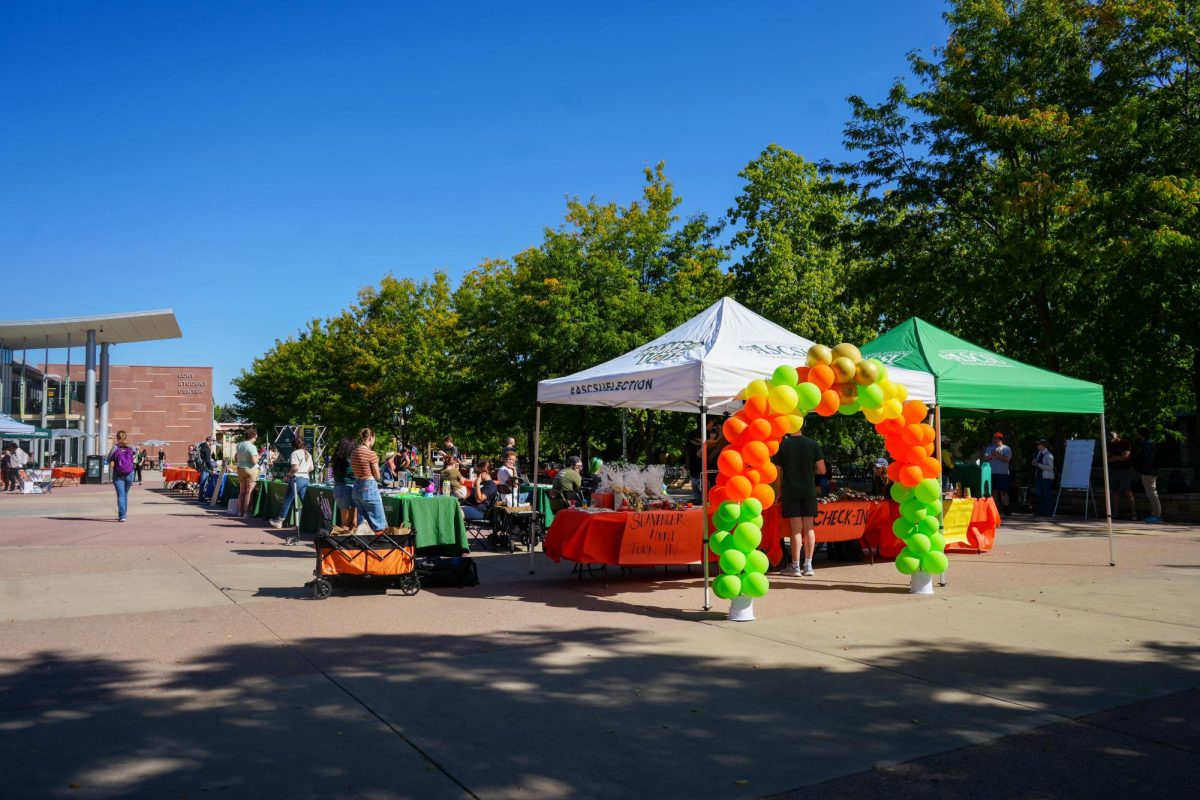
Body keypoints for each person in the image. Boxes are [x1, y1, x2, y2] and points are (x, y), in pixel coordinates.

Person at [770, 431, 826, 577]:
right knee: (809, 528)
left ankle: (795, 566)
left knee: (795, 530)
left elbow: (776, 470)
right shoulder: (813, 443)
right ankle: (808, 565)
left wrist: (778, 491)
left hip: (791, 491)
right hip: (809, 491)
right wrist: (809, 470)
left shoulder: (784, 444)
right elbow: (822, 469)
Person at [351, 428, 388, 534]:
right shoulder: (371, 454)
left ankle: (364, 547)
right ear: (371, 437)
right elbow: (377, 476)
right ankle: (379, 548)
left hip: (357, 487)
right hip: (369, 487)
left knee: (363, 524)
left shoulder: (354, 452)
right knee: (379, 523)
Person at [271, 437, 313, 529]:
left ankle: (279, 521)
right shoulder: (308, 454)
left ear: (293, 445)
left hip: (297, 478)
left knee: (288, 500)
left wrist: (287, 476)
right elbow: (311, 468)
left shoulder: (295, 453)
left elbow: (295, 468)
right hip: (306, 478)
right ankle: (311, 521)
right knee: (305, 501)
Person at [106, 430, 137, 522]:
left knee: (121, 495)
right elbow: (135, 455)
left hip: (118, 474)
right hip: (129, 473)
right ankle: (124, 513)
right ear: (125, 437)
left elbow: (109, 459)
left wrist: (113, 461)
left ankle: (122, 515)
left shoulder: (115, 447)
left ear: (117, 437)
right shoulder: (131, 447)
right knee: (125, 494)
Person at [1133, 428, 1162, 523]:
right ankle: (1154, 514)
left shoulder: (1147, 444)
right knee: (1150, 493)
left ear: (1141, 435)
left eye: (1138, 434)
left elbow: (1148, 459)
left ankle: (1157, 515)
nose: (1137, 436)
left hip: (1148, 472)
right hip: (1150, 472)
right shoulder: (1149, 443)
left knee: (1152, 493)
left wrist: (1144, 469)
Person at [330, 436, 358, 530]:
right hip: (347, 488)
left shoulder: (338, 460)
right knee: (349, 524)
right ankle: (345, 543)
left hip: (339, 488)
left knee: (348, 523)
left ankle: (347, 542)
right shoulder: (348, 461)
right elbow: (354, 473)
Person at [1106, 430, 1135, 521]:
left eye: (1113, 438)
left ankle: (1134, 513)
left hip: (1124, 470)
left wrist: (1114, 457)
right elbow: (1107, 459)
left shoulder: (1125, 443)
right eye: (1110, 438)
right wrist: (1119, 457)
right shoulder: (1109, 445)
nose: (1112, 440)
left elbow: (1126, 457)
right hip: (1113, 470)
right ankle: (1116, 513)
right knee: (1114, 492)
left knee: (1128, 491)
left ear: (1118, 436)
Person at [982, 432, 1012, 511]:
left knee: (1003, 492)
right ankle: (993, 509)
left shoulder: (1006, 448)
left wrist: (997, 455)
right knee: (993, 491)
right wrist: (992, 456)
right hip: (991, 473)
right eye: (993, 438)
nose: (994, 440)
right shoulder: (989, 448)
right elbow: (985, 458)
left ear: (1000, 439)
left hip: (1003, 473)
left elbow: (1007, 459)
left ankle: (1006, 508)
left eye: (996, 438)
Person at [235, 427, 260, 519]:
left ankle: (239, 511)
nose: (256, 438)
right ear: (252, 436)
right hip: (251, 469)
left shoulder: (239, 445)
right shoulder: (252, 446)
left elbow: (236, 457)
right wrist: (259, 457)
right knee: (249, 492)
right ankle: (246, 512)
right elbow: (254, 461)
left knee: (242, 492)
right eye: (256, 437)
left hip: (240, 468)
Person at [1031, 438, 1055, 516]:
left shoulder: (1049, 455)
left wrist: (1038, 465)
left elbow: (1050, 467)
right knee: (1039, 494)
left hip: (1046, 478)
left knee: (1046, 494)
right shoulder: (1039, 453)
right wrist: (1034, 463)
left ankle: (1048, 512)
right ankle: (1041, 511)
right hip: (1039, 476)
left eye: (1039, 444)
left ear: (1043, 445)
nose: (1037, 446)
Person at [685, 423, 705, 505]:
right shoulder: (696, 444)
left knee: (699, 500)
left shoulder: (689, 445)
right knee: (701, 500)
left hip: (696, 474)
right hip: (698, 474)